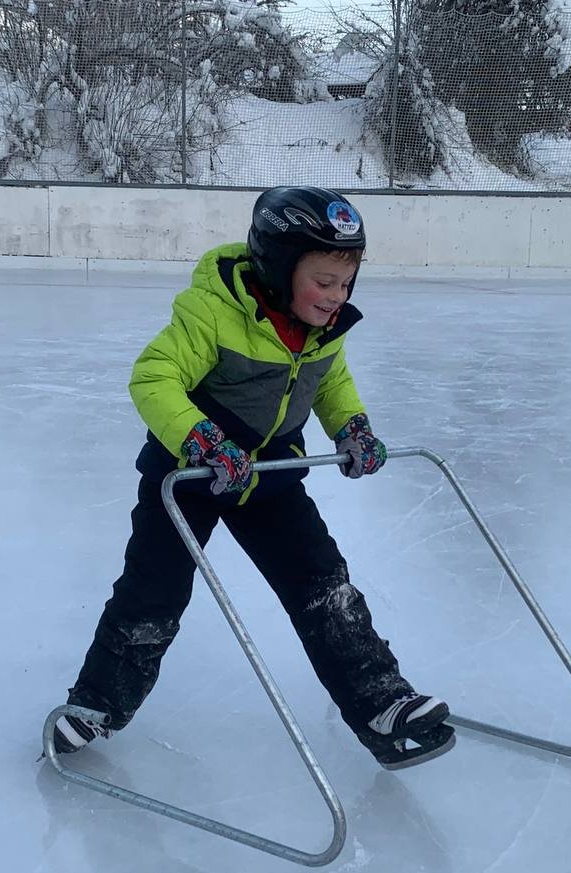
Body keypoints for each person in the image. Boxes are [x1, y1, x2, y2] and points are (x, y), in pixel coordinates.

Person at [49, 186, 455, 771]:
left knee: (324, 586)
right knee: (154, 592)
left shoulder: (322, 327)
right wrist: (202, 438)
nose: (336, 298)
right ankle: (96, 705)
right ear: (278, 268)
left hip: (270, 477)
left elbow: (331, 382)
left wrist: (352, 427)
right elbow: (153, 377)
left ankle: (381, 704)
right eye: (323, 282)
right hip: (189, 477)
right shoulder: (212, 311)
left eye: (346, 284)